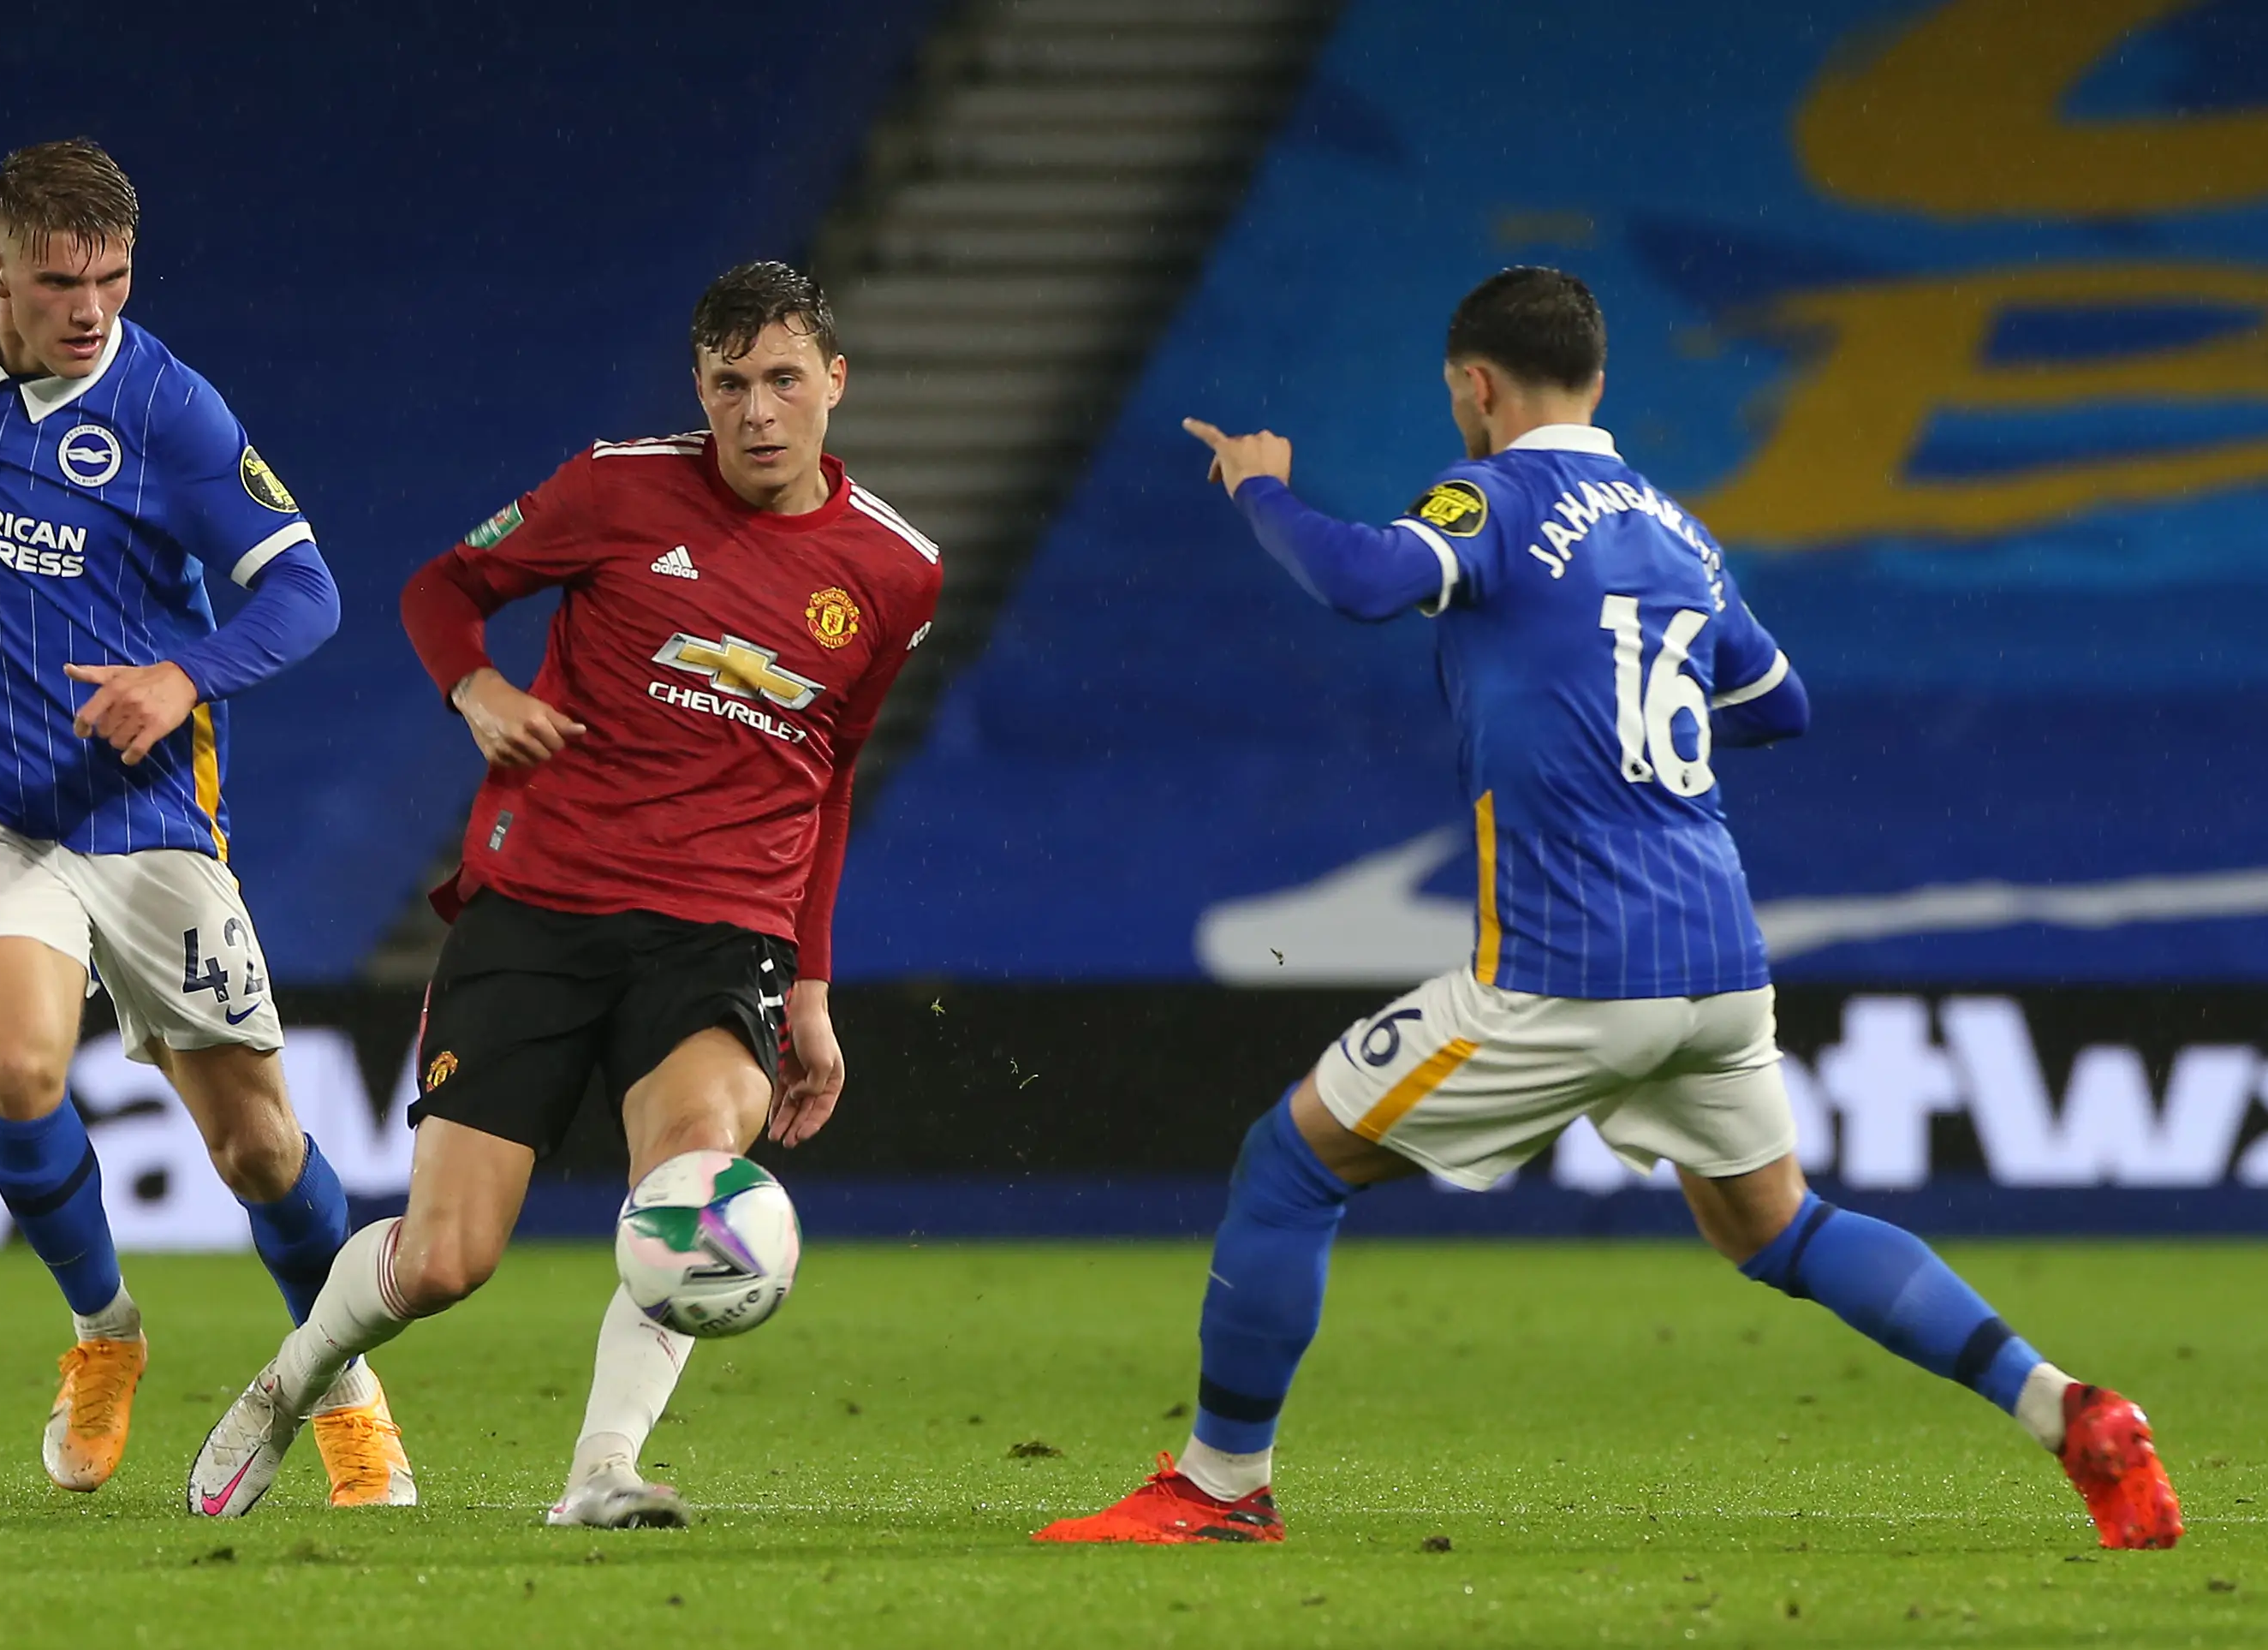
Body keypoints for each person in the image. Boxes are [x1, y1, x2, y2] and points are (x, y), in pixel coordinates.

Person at [1034, 266, 2181, 1551]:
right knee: (1780, 1224)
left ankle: (1219, 1486)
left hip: (1570, 964)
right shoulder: (1677, 529)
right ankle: (2062, 1402)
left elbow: (1361, 579)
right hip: (1718, 960)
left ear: (1477, 386)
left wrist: (1259, 482)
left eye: (1458, 395)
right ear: (1598, 377)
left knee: (1292, 1162)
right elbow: (1778, 704)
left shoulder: (1496, 497)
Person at [188, 260, 942, 1522]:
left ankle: (602, 1471)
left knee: (695, 1179)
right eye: (730, 383)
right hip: (539, 907)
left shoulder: (896, 573)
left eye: (785, 380)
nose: (759, 411)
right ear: (699, 390)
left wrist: (811, 981)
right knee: (443, 1260)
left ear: (835, 383)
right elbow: (441, 587)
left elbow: (834, 770)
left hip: (720, 929)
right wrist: (479, 693)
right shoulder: (617, 487)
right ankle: (293, 1377)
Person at [0, 138, 412, 1507]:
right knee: (16, 1070)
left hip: (146, 812)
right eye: (61, 281)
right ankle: (105, 1332)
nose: (92, 309)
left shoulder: (168, 407)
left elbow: (306, 593)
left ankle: (340, 1377)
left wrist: (183, 674)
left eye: (113, 277)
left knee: (258, 1148)